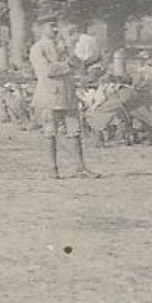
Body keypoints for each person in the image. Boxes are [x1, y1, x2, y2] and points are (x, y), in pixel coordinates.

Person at [30, 16, 97, 180]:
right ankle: (52, 169)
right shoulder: (38, 48)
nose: (55, 30)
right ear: (40, 28)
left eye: (56, 26)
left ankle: (80, 168)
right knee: (50, 132)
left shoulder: (63, 46)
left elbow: (79, 63)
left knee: (75, 132)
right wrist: (69, 65)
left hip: (68, 94)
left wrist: (71, 54)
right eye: (51, 26)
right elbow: (47, 71)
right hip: (49, 95)